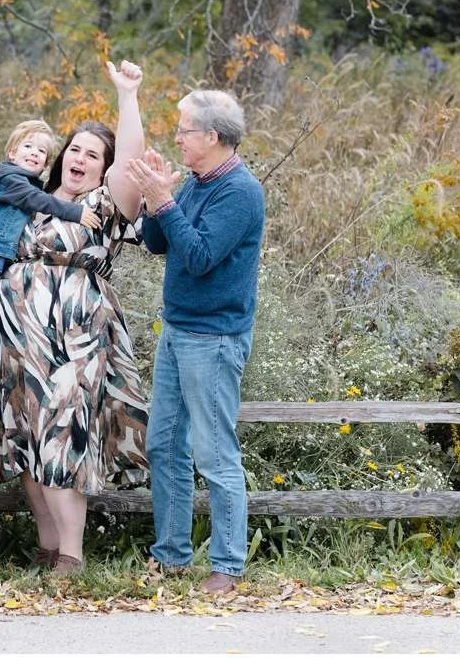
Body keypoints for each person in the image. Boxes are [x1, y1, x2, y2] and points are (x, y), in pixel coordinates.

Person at [0, 60, 149, 575]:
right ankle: (46, 550)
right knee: (24, 440)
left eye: (94, 154)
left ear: (104, 167)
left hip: (75, 339)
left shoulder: (105, 206)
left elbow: (131, 161)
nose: (80, 159)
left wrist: (126, 96)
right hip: (16, 343)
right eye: (75, 150)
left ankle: (72, 556)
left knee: (62, 436)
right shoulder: (28, 200)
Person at [123, 89, 265, 594]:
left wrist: (165, 202)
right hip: (178, 328)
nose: (177, 137)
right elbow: (159, 244)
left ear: (212, 136)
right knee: (163, 444)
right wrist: (154, 197)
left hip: (215, 337)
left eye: (184, 130)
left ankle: (227, 565)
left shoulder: (240, 191)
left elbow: (202, 257)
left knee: (213, 453)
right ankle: (172, 554)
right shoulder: (198, 182)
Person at [0, 119, 101, 419]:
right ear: (12, 152)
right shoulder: (12, 182)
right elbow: (38, 200)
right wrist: (77, 213)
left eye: (42, 152)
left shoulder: (24, 188)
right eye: (28, 146)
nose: (35, 153)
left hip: (2, 266)